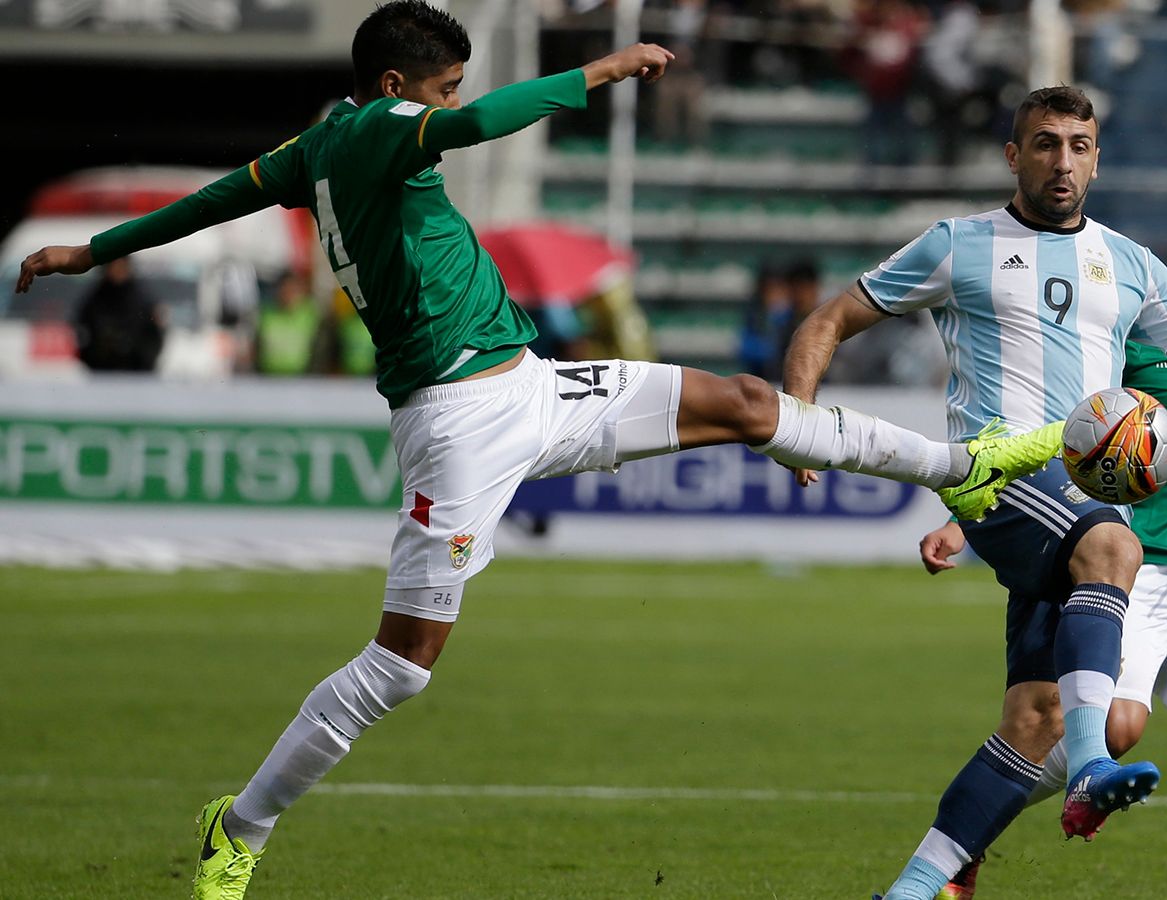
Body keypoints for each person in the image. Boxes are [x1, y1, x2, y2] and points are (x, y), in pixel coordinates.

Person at [12, 4, 1070, 897]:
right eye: (440, 87)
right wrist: (597, 70)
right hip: (456, 423)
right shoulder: (383, 126)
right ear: (393, 83)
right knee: (399, 670)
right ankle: (237, 830)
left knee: (749, 403)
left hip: (533, 386)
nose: (444, 104)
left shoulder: (312, 153)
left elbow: (214, 197)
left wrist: (89, 248)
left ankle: (959, 465)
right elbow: (472, 128)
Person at [779, 86, 1167, 900]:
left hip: (1083, 503)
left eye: (1079, 146)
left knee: (1033, 721)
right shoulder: (959, 244)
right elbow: (827, 320)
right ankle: (1093, 769)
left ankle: (915, 889)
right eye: (1046, 144)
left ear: (1097, 159)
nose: (1063, 162)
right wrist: (797, 419)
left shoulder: (1128, 265)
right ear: (1014, 155)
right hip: (1003, 476)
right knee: (1115, 547)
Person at [919, 192, 1167, 900]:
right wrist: (968, 524)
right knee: (1114, 731)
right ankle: (966, 838)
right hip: (1128, 564)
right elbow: (1057, 444)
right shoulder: (1133, 351)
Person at [73, 256, 164, 371]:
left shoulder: (143, 299)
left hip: (137, 374)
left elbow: (154, 337)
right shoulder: (94, 300)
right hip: (102, 372)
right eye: (113, 266)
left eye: (121, 266)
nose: (117, 270)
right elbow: (82, 332)